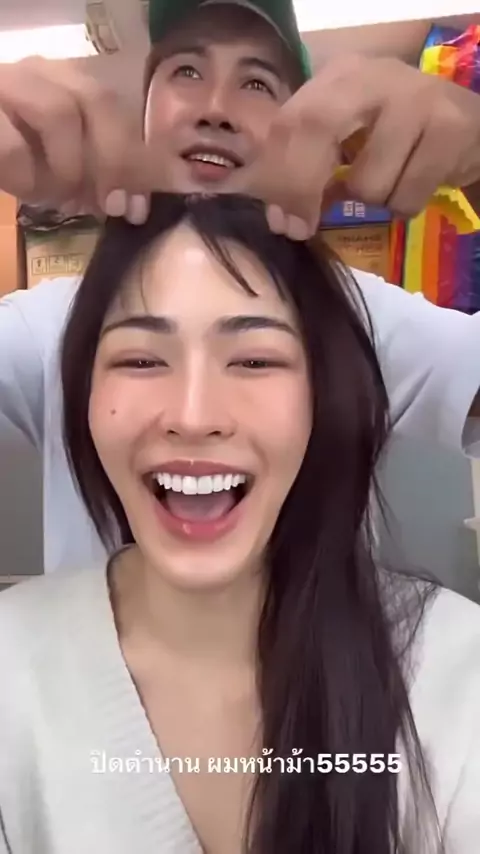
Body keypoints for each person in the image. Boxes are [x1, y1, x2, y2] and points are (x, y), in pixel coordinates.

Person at [0, 193, 479, 853]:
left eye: (255, 360)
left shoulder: (456, 673)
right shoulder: (14, 674)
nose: (193, 416)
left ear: (323, 397)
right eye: (141, 360)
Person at [1, 0, 480, 575]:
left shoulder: (358, 312)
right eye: (187, 71)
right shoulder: (52, 323)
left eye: (256, 83)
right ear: (144, 115)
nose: (215, 109)